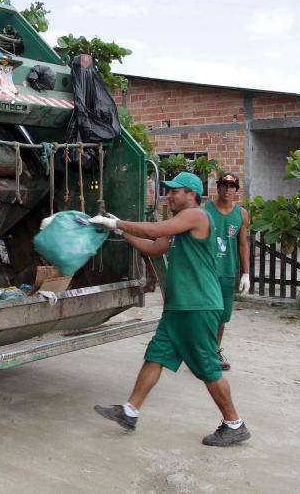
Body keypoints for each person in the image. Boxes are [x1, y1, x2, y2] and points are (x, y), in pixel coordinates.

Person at [88, 172, 250, 447]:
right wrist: (120, 231)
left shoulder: (196, 216)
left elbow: (154, 230)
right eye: (169, 191)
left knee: (208, 367)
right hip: (179, 306)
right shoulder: (180, 224)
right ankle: (130, 411)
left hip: (198, 305)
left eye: (175, 191)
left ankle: (234, 424)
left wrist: (116, 221)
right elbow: (154, 247)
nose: (169, 195)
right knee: (156, 355)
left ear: (191, 194)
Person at [204, 173, 250, 371]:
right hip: (207, 271)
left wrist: (246, 273)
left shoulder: (241, 214)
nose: (228, 190)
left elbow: (242, 244)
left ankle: (214, 350)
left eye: (232, 187)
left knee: (222, 315)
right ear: (218, 187)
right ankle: (203, 351)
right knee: (206, 313)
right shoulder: (205, 210)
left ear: (236, 190)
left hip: (228, 272)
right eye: (224, 185)